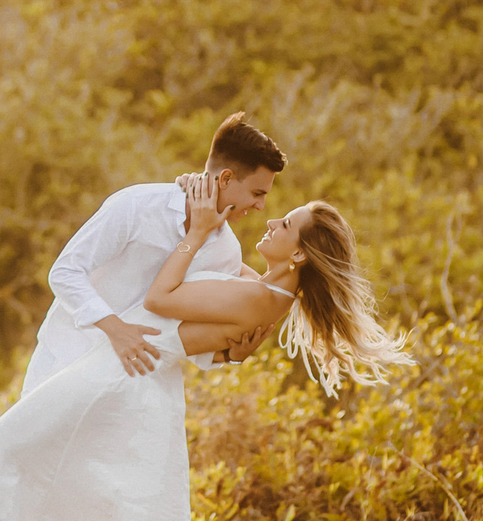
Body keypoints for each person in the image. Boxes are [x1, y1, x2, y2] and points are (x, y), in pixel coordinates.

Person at [0, 158, 411, 521]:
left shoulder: (262, 297)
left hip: (124, 375)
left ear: (298, 252)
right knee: (85, 493)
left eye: (286, 222)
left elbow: (160, 299)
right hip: (128, 372)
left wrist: (198, 231)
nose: (271, 217)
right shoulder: (264, 287)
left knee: (5, 452)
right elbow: (215, 320)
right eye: (267, 203)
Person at [19, 112, 287, 396]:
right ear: (226, 179)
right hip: (65, 362)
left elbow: (182, 335)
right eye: (257, 193)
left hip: (133, 388)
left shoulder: (226, 251)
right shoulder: (136, 206)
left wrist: (230, 354)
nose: (261, 206)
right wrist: (116, 329)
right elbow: (65, 272)